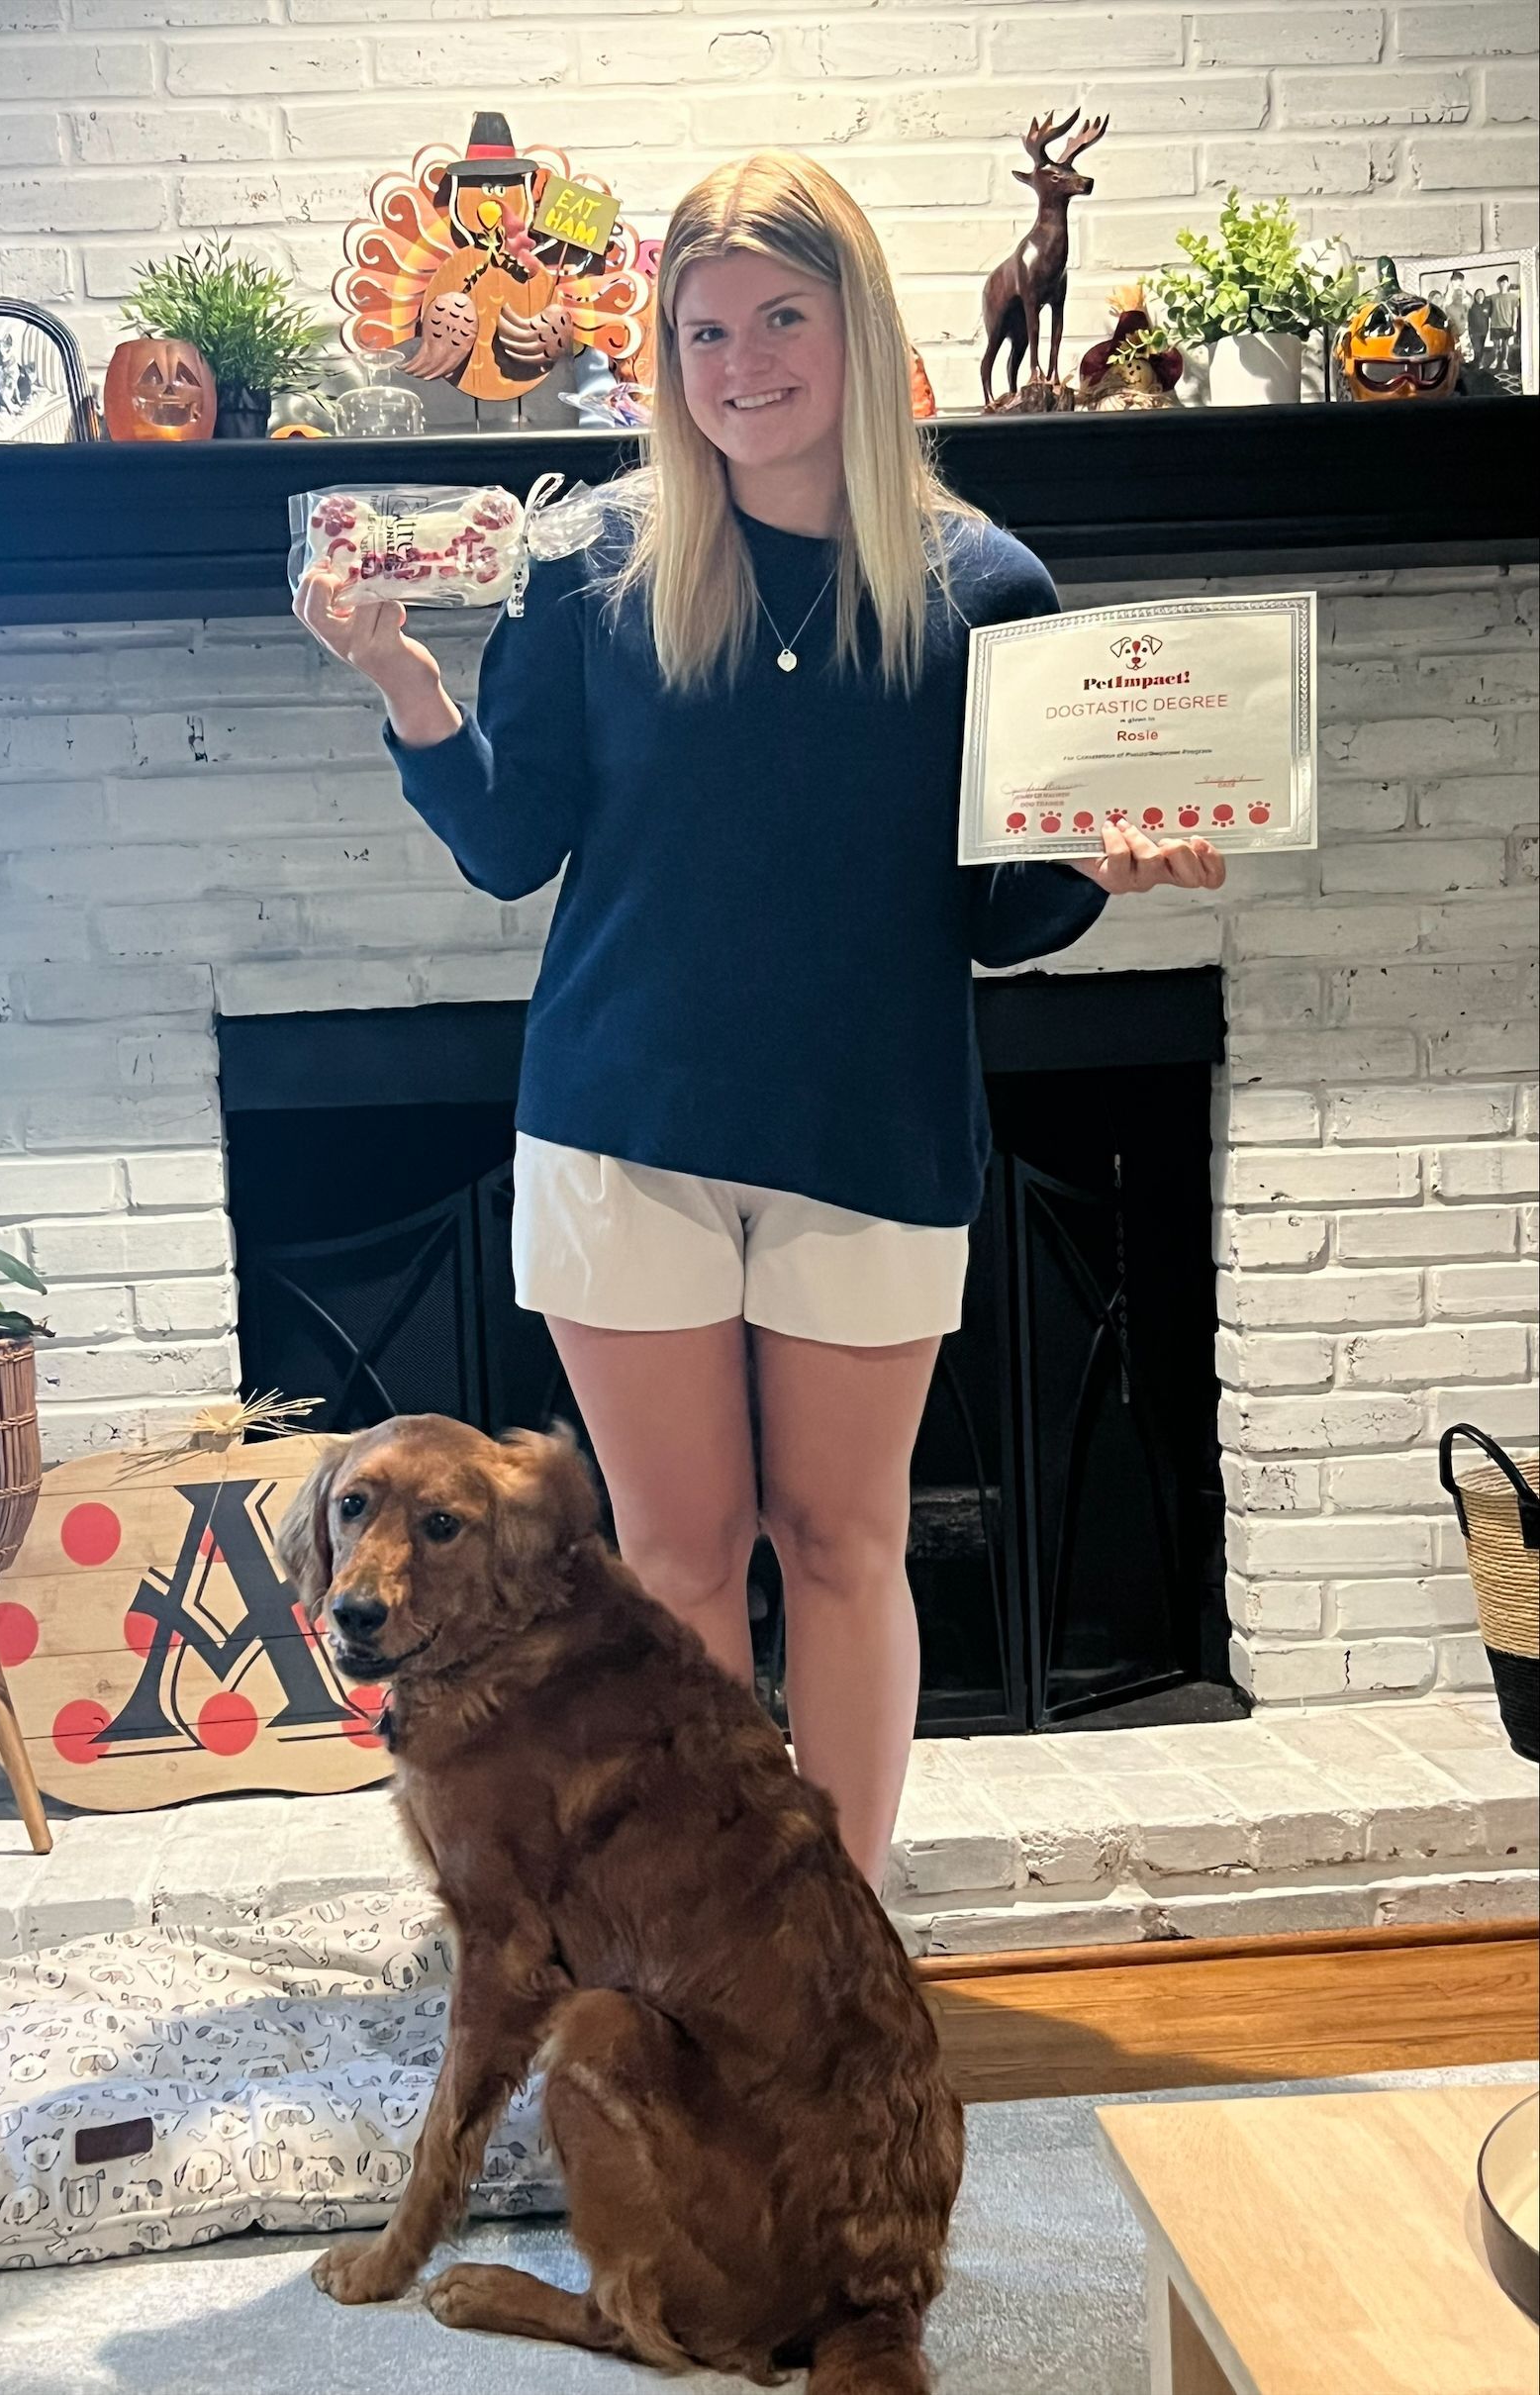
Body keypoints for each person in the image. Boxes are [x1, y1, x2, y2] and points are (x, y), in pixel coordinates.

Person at [296, 150, 1225, 1901]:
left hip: (874, 1135)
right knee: (682, 1555)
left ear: (857, 328)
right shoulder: (588, 569)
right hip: (617, 1135)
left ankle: (841, 1935)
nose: (742, 362)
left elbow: (1004, 913)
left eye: (783, 316)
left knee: (849, 1542)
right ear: (667, 353)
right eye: (705, 328)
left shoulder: (986, 592)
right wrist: (409, 687)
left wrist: (1114, 866)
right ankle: (707, 1930)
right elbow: (508, 844)